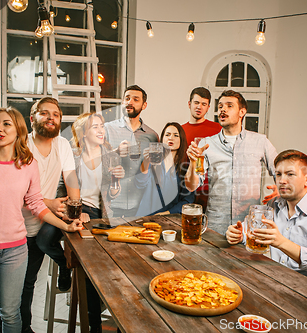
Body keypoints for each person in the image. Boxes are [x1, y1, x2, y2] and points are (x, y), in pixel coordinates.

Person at [0, 107, 82, 333]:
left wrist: (66, 225)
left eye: (6, 124)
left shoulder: (28, 164)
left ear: (18, 130)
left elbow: (36, 204)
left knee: (11, 316)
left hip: (15, 250)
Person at [225, 150, 307, 291]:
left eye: (290, 174)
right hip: (278, 283)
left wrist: (281, 242)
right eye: (278, 174)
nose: (282, 180)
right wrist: (240, 235)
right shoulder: (273, 204)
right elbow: (253, 233)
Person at [7, 97, 79, 333]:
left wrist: (75, 206)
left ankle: (24, 328)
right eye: (44, 113)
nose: (51, 118)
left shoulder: (63, 145)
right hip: (18, 226)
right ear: (32, 118)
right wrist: (48, 202)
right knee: (18, 285)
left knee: (29, 283)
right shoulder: (20, 146)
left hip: (44, 222)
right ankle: (16, 327)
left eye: (56, 114)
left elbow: (70, 178)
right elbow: (12, 192)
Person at [62, 112, 125, 333]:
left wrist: (117, 183)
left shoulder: (111, 155)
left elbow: (115, 195)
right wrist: (77, 212)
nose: (101, 131)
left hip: (105, 215)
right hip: (80, 212)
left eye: (102, 126)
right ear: (83, 133)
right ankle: (93, 325)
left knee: (117, 265)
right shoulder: (73, 156)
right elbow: (64, 192)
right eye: (94, 127)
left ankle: (117, 318)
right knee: (91, 264)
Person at [185, 90, 278, 234]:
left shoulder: (261, 141)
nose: (222, 109)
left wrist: (279, 190)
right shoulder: (206, 144)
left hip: (249, 226)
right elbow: (191, 186)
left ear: (242, 112)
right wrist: (192, 163)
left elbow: (281, 171)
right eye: (220, 106)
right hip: (215, 226)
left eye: (229, 106)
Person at [104, 85, 159, 217]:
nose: (130, 102)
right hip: (111, 205)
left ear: (144, 105)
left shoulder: (152, 136)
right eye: (127, 98)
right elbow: (95, 162)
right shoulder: (107, 129)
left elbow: (154, 172)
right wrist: (116, 151)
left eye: (135, 99)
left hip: (140, 206)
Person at [136, 122, 195, 216]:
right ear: (162, 139)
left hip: (171, 220)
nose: (171, 138)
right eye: (167, 134)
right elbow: (140, 184)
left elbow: (187, 200)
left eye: (176, 135)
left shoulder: (186, 168)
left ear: (182, 140)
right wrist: (146, 161)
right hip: (145, 217)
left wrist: (167, 213)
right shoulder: (152, 160)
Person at [181, 87, 222, 212]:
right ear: (189, 104)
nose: (199, 107)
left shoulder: (218, 129)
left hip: (210, 190)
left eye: (204, 104)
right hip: (185, 189)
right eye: (196, 103)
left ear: (208, 107)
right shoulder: (180, 131)